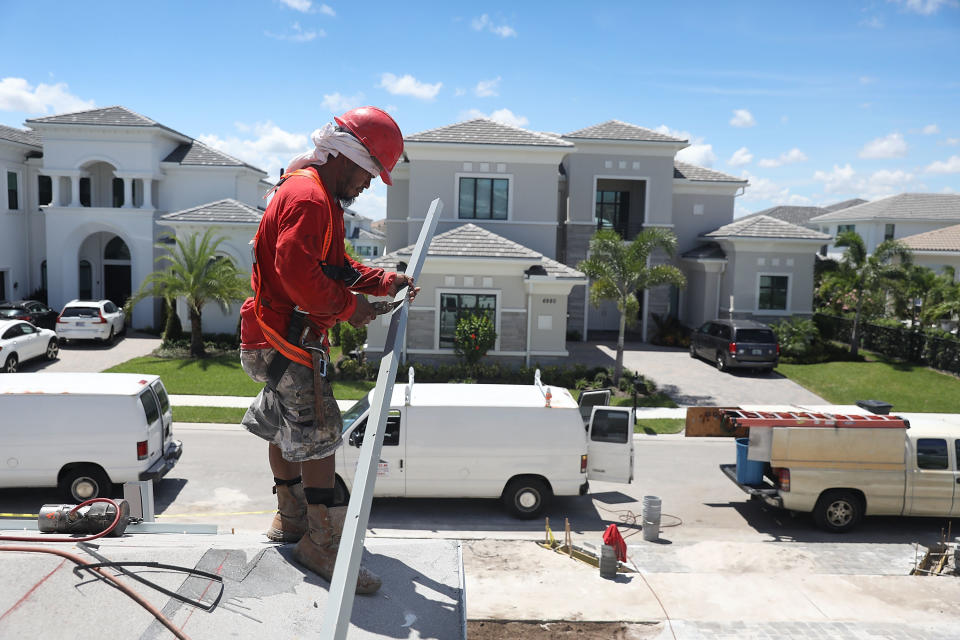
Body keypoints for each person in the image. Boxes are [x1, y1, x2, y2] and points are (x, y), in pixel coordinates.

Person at [238, 106, 416, 595]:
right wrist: (347, 308)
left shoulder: (311, 192)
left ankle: (291, 519)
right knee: (319, 433)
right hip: (287, 340)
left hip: (269, 337)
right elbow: (298, 274)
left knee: (285, 425)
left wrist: (381, 282)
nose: (367, 186)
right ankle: (321, 544)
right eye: (367, 174)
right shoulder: (311, 198)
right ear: (347, 156)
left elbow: (332, 264)